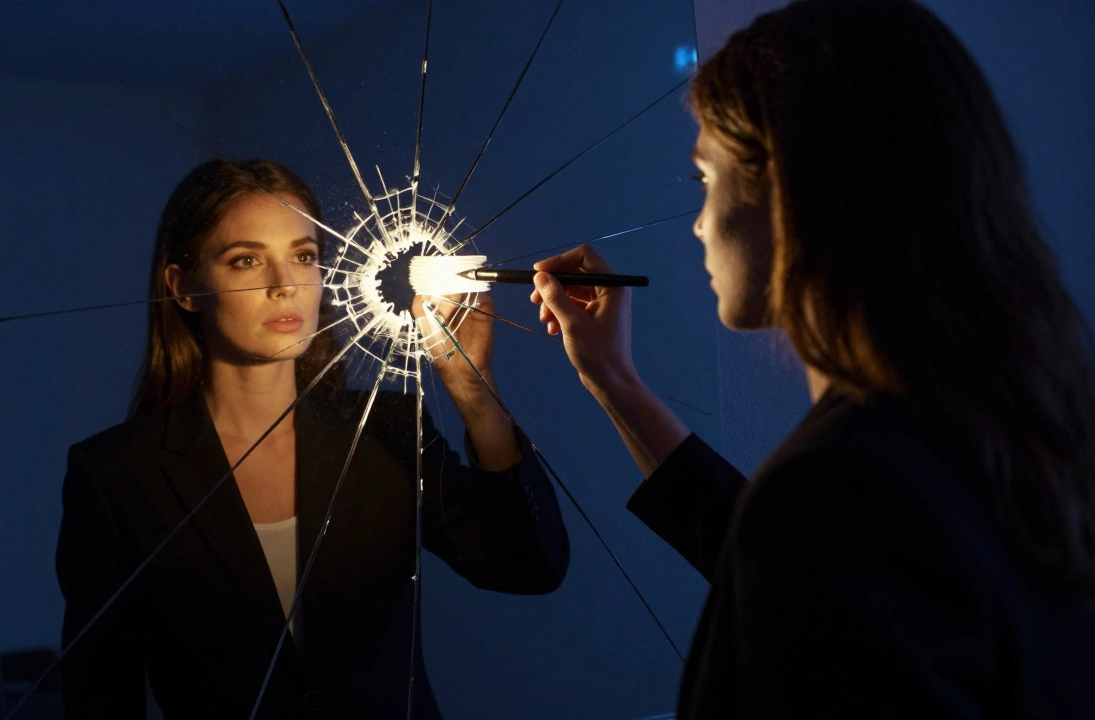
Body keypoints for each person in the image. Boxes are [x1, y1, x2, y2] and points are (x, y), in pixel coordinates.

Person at [530, 0, 1095, 716]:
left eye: (706, 177)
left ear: (790, 181)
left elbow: (800, 561)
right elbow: (803, 580)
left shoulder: (835, 493)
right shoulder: (996, 446)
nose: (700, 223)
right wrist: (613, 379)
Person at [55, 158, 569, 719]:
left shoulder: (387, 431)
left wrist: (473, 391)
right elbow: (100, 693)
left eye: (303, 256)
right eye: (246, 260)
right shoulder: (117, 474)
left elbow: (529, 565)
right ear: (182, 287)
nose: (285, 286)